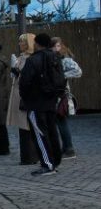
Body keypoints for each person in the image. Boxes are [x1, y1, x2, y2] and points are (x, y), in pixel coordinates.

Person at [19, 33, 65, 176]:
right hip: (51, 101)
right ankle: (55, 160)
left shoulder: (33, 60)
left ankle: (47, 164)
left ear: (37, 44)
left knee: (40, 133)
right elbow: (61, 79)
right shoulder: (55, 57)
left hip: (35, 102)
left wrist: (25, 98)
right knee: (52, 131)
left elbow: (24, 82)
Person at [8, 33, 39, 165]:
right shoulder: (22, 57)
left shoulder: (30, 58)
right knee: (24, 127)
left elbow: (28, 77)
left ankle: (30, 156)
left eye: (22, 42)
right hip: (19, 94)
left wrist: (17, 71)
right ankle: (28, 156)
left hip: (25, 96)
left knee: (27, 126)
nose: (20, 44)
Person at [51, 36, 81, 159]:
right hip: (55, 93)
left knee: (61, 120)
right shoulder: (53, 58)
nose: (55, 48)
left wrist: (62, 76)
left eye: (57, 45)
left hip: (61, 94)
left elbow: (78, 71)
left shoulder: (65, 59)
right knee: (59, 121)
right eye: (54, 46)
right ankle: (66, 148)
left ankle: (69, 149)